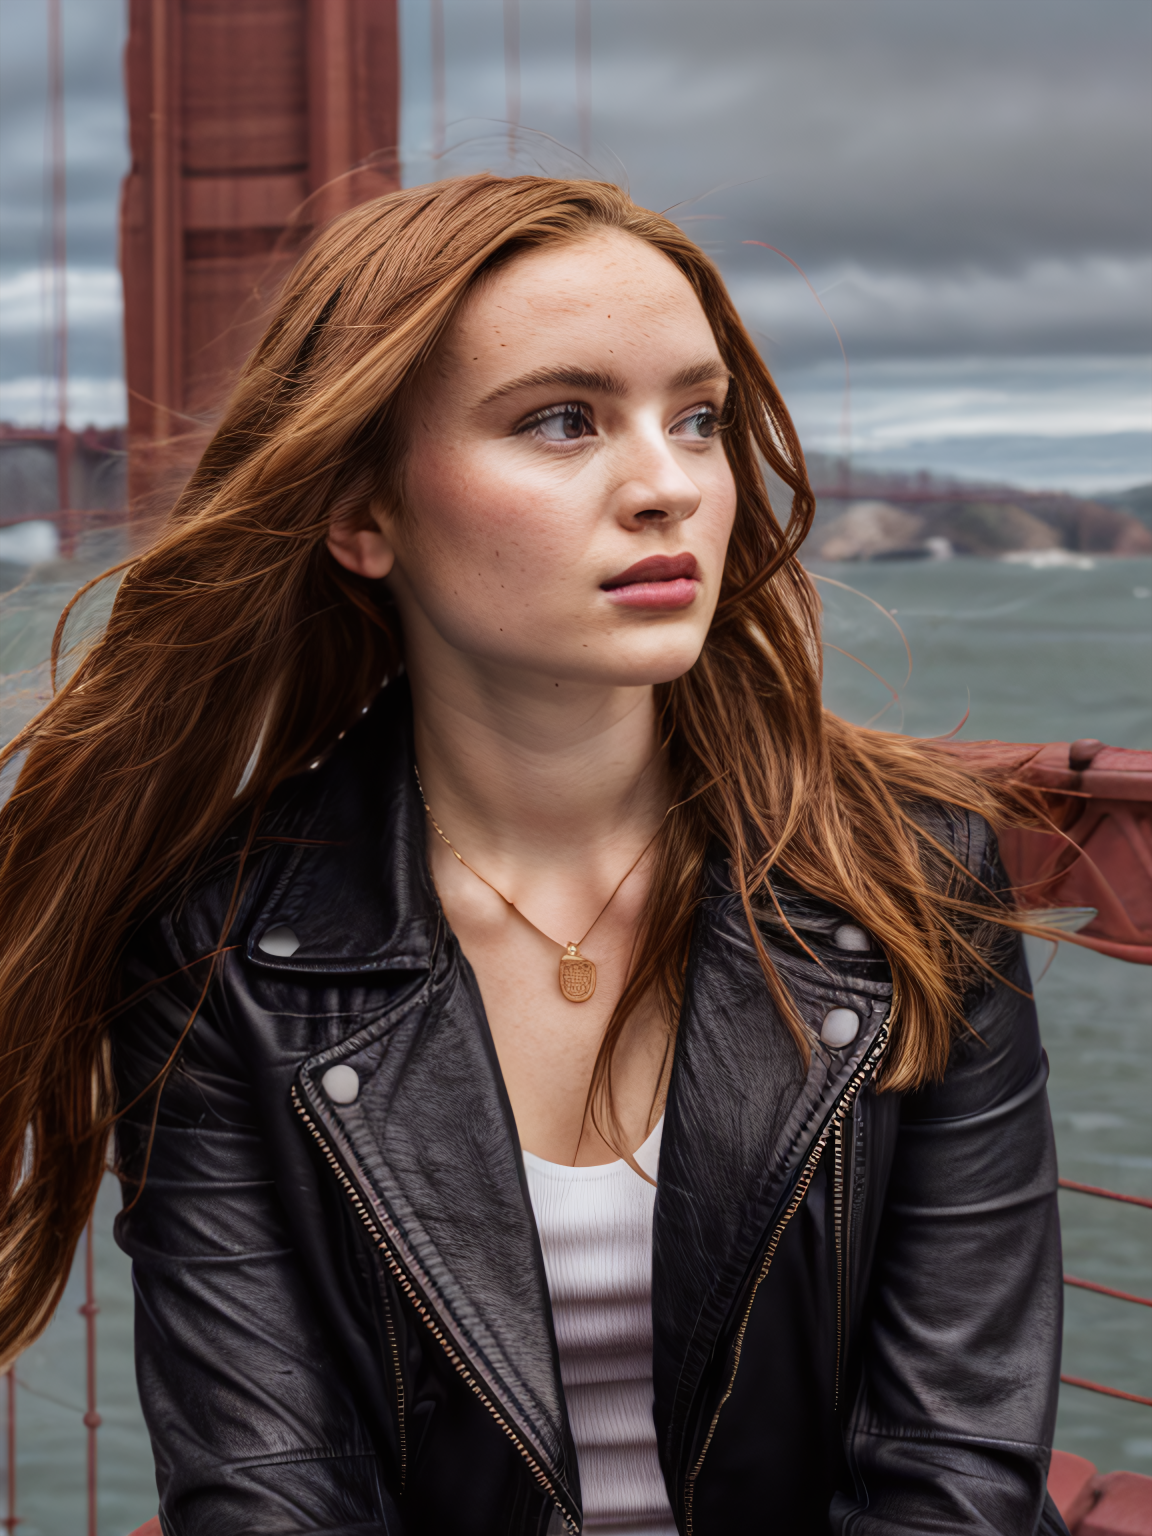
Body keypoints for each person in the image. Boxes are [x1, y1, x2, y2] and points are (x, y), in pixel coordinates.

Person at [0, 175, 1069, 1535]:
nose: (668, 485)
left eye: (698, 418)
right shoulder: (221, 956)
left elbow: (952, 1476)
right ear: (362, 516)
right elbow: (274, 1496)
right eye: (564, 420)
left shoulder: (909, 881)